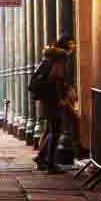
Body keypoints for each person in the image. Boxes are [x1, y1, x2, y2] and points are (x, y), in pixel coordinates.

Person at [33, 38, 73, 172]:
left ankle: (41, 157)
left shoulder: (52, 57)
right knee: (55, 130)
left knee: (52, 129)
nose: (74, 45)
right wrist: (61, 98)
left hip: (48, 98)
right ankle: (51, 164)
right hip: (53, 99)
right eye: (71, 42)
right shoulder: (61, 58)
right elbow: (56, 78)